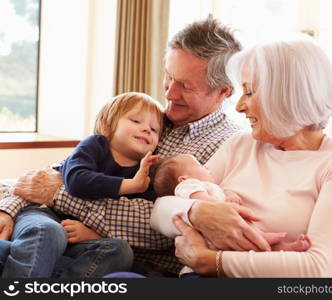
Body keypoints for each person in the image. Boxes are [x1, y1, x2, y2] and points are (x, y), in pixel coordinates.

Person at [0, 16, 243, 277]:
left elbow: (162, 225)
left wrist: (60, 194)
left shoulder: (227, 147)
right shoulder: (146, 118)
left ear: (224, 92)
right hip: (64, 234)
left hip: (121, 259)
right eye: (168, 77)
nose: (170, 94)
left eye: (185, 85)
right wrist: (9, 209)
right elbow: (58, 170)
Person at [150, 37, 332, 277]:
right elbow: (160, 211)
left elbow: (319, 269)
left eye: (249, 92)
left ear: (286, 96)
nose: (239, 107)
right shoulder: (242, 145)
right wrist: (197, 212)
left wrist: (213, 261)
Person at [0, 92, 163, 277]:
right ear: (107, 125)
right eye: (135, 120)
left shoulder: (147, 174)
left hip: (83, 240)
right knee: (49, 232)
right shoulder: (95, 145)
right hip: (45, 215)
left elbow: (134, 225)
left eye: (154, 129)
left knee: (120, 251)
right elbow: (77, 181)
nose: (147, 129)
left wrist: (95, 235)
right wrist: (130, 185)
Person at [151, 153, 311, 252]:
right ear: (183, 178)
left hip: (228, 232)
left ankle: (285, 247)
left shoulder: (208, 185)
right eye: (200, 165)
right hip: (212, 237)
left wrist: (229, 194)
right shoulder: (189, 185)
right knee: (248, 234)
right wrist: (219, 205)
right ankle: (268, 239)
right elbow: (202, 200)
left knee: (251, 238)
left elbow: (220, 192)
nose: (207, 168)